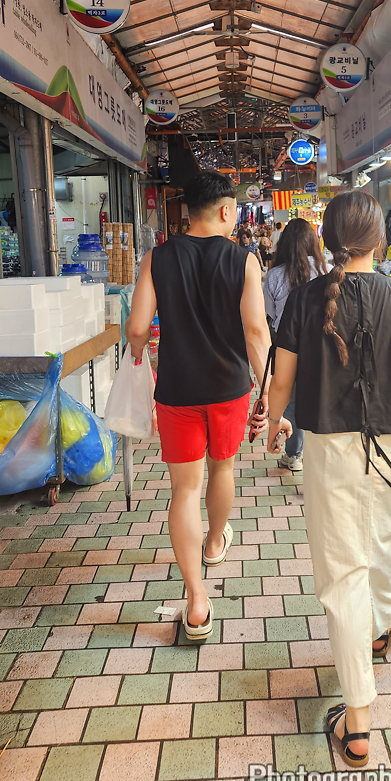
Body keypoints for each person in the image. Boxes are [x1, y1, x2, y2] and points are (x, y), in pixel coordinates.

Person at [265, 189, 391, 767]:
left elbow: (282, 381)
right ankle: (380, 620)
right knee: (380, 537)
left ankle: (360, 718)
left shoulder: (303, 299)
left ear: (327, 241)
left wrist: (273, 423)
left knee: (343, 574)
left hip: (329, 448)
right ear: (380, 240)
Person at [125, 171, 272, 642]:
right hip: (229, 387)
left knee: (183, 490)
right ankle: (214, 542)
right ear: (228, 211)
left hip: (177, 389)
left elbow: (136, 327)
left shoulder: (157, 258)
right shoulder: (244, 260)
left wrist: (140, 353)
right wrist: (267, 388)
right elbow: (255, 333)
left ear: (187, 211)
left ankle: (196, 602)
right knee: (223, 469)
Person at [262, 218, 327, 471]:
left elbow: (269, 314)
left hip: (286, 342)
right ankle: (318, 454)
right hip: (320, 343)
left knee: (288, 394)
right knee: (319, 394)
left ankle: (293, 454)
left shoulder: (275, 275)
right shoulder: (326, 270)